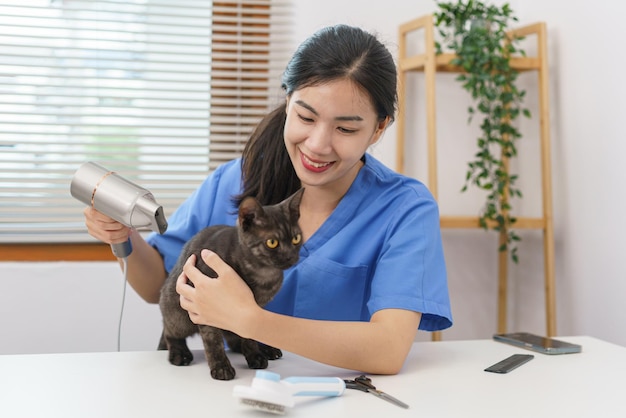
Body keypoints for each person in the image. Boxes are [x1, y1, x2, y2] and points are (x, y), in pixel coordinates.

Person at [83, 24, 452, 375]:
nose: (318, 144)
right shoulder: (236, 180)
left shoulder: (405, 210)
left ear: (379, 128)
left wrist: (250, 321)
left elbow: (388, 349)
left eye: (346, 128)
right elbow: (158, 288)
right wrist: (123, 237)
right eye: (306, 117)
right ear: (288, 100)